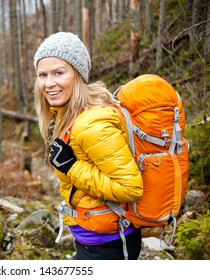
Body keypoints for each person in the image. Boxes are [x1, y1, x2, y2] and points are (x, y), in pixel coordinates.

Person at [33, 32, 144, 260]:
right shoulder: (67, 117)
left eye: (59, 73)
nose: (49, 83)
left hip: (110, 245)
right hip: (91, 239)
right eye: (42, 75)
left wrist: (72, 167)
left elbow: (131, 188)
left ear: (78, 75)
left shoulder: (91, 124)